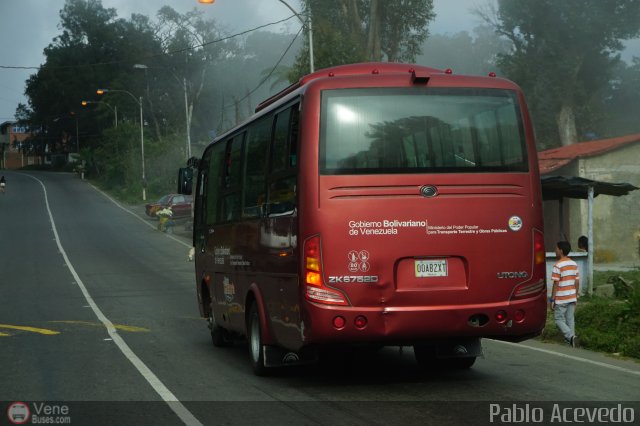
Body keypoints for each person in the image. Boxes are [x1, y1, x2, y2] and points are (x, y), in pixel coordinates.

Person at [550, 241, 580, 347]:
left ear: (561, 251)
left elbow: (556, 283)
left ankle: (570, 336)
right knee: (570, 319)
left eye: (556, 248)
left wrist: (552, 300)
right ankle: (571, 341)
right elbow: (577, 282)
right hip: (572, 297)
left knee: (558, 319)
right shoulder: (574, 264)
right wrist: (575, 296)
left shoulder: (558, 265)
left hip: (561, 298)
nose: (555, 250)